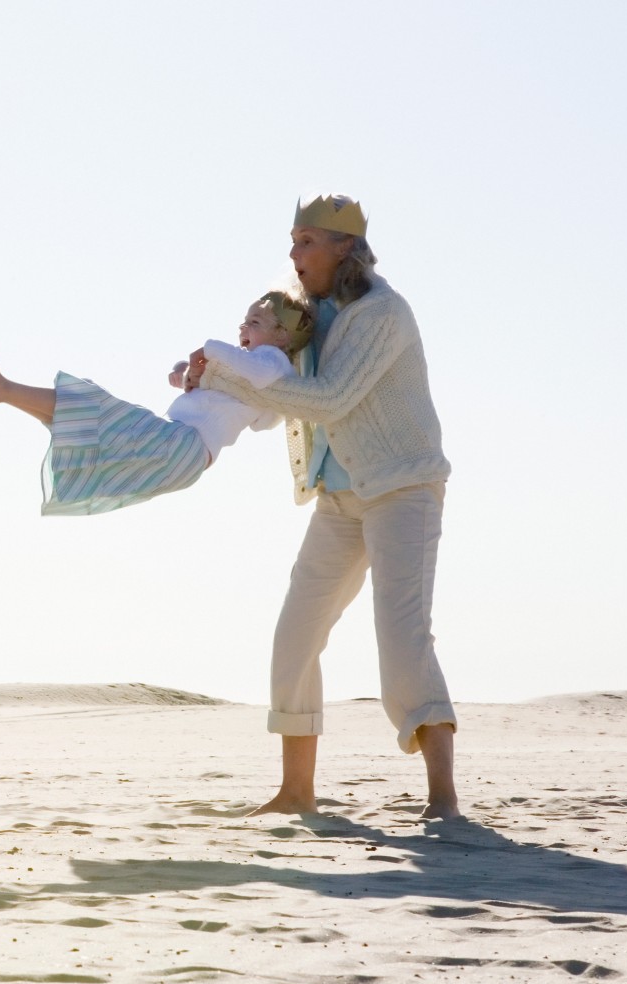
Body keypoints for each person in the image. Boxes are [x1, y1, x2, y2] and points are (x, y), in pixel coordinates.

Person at [186, 194, 459, 819]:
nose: (293, 252)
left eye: (307, 240)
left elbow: (330, 399)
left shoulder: (383, 313)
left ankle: (443, 798)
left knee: (402, 641)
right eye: (292, 239)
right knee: (295, 637)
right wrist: (209, 377)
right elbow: (281, 393)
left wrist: (226, 377)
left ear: (345, 248)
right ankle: (296, 793)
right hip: (339, 498)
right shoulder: (309, 314)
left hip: (402, 487)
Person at [0, 292, 314, 515]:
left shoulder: (272, 361)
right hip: (182, 452)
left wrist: (210, 350)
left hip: (183, 447)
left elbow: (260, 378)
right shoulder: (247, 369)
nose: (243, 328)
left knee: (97, 410)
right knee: (96, 425)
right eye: (243, 322)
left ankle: (3, 389)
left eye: (254, 322)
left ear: (282, 336)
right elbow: (246, 404)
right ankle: (3, 392)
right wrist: (186, 373)